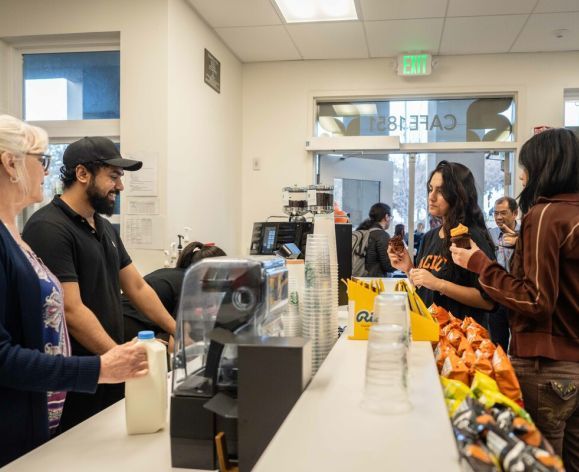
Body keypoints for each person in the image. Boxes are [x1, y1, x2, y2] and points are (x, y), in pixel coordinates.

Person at [0, 115, 148, 467]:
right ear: (9, 162)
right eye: (41, 160)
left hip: (36, 411)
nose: (45, 172)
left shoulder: (13, 234)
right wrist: (101, 367)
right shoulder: (44, 228)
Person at [22, 136, 176, 431]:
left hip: (108, 366)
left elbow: (138, 287)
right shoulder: (49, 228)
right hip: (79, 375)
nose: (120, 186)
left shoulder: (102, 226)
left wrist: (175, 328)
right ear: (82, 174)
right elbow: (71, 310)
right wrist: (116, 357)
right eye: (114, 176)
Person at [451, 128, 579, 466]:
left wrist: (479, 263)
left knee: (538, 463)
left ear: (542, 167)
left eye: (524, 167)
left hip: (547, 368)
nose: (522, 176)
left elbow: (536, 299)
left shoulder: (545, 214)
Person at [387, 161, 496, 327]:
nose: (431, 196)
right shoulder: (429, 237)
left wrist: (439, 284)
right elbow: (425, 285)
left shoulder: (470, 237)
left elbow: (487, 300)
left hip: (460, 342)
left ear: (458, 195)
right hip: (429, 334)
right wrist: (408, 268)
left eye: (440, 191)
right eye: (431, 189)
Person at [123, 241, 226, 343]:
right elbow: (175, 344)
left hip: (118, 317)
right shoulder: (189, 284)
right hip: (128, 326)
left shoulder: (176, 275)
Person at [488, 196, 520, 350]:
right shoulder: (490, 235)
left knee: (520, 344)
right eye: (496, 213)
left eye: (503, 213)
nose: (499, 217)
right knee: (497, 344)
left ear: (515, 213)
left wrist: (519, 242)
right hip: (497, 296)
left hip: (519, 296)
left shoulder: (527, 234)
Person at [356, 202, 394, 277]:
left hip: (360, 278)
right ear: (386, 217)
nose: (390, 220)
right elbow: (388, 266)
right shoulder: (382, 235)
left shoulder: (363, 231)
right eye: (391, 217)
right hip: (375, 282)